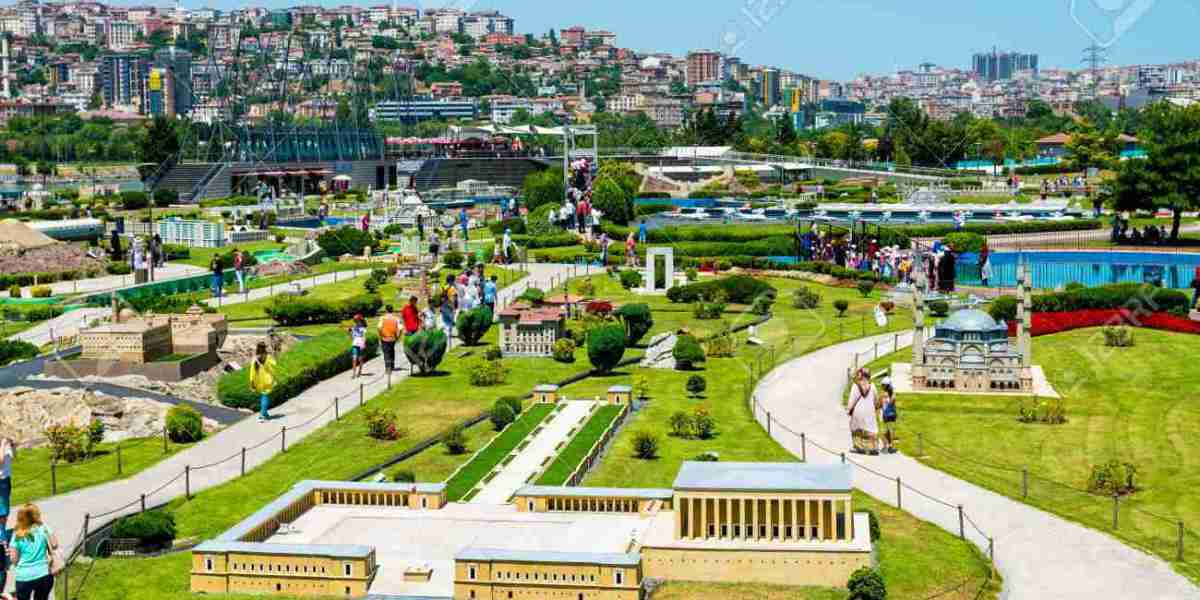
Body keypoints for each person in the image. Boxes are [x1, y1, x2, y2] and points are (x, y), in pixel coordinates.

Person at [7, 503, 56, 600]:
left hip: (24, 576)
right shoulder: (43, 528)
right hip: (44, 573)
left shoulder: (17, 534)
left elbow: (14, 559)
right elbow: (55, 544)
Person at [847, 368, 879, 455]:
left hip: (858, 411)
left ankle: (858, 447)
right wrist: (876, 407)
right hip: (869, 411)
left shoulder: (855, 386)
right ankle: (874, 448)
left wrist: (849, 409)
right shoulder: (872, 386)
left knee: (855, 428)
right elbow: (876, 399)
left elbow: (851, 399)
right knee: (871, 428)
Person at [249, 342, 276, 422]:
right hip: (267, 380)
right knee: (265, 397)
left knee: (263, 396)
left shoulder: (255, 358)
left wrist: (251, 382)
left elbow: (252, 372)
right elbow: (274, 364)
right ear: (265, 348)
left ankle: (265, 413)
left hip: (258, 380)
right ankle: (262, 414)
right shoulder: (268, 357)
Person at [0, 436, 13, 592]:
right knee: (2, 512)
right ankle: (3, 542)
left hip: (6, 480)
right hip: (1, 480)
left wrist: (12, 445)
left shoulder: (4, 444)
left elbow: (12, 458)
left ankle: (3, 535)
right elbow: (1, 461)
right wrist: (3, 445)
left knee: (5, 513)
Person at [378, 305, 401, 375]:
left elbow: (379, 328)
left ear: (386, 310)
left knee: (386, 353)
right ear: (392, 310)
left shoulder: (382, 318)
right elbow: (401, 328)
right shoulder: (396, 318)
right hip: (393, 338)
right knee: (391, 350)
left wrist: (381, 335)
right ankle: (392, 366)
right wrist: (398, 337)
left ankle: (388, 369)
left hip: (385, 338)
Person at [879, 378, 898, 454]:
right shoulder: (892, 394)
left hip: (885, 414)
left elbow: (879, 404)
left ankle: (885, 446)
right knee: (890, 430)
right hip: (891, 414)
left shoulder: (882, 394)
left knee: (885, 430)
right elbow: (892, 403)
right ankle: (891, 447)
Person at [349, 314, 368, 378]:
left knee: (360, 359)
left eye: (357, 321)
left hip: (360, 344)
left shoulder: (363, 328)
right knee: (354, 359)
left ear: (360, 321)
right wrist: (350, 332)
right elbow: (351, 338)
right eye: (355, 321)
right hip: (354, 344)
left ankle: (359, 371)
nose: (356, 322)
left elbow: (364, 336)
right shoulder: (353, 327)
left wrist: (363, 344)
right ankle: (354, 373)